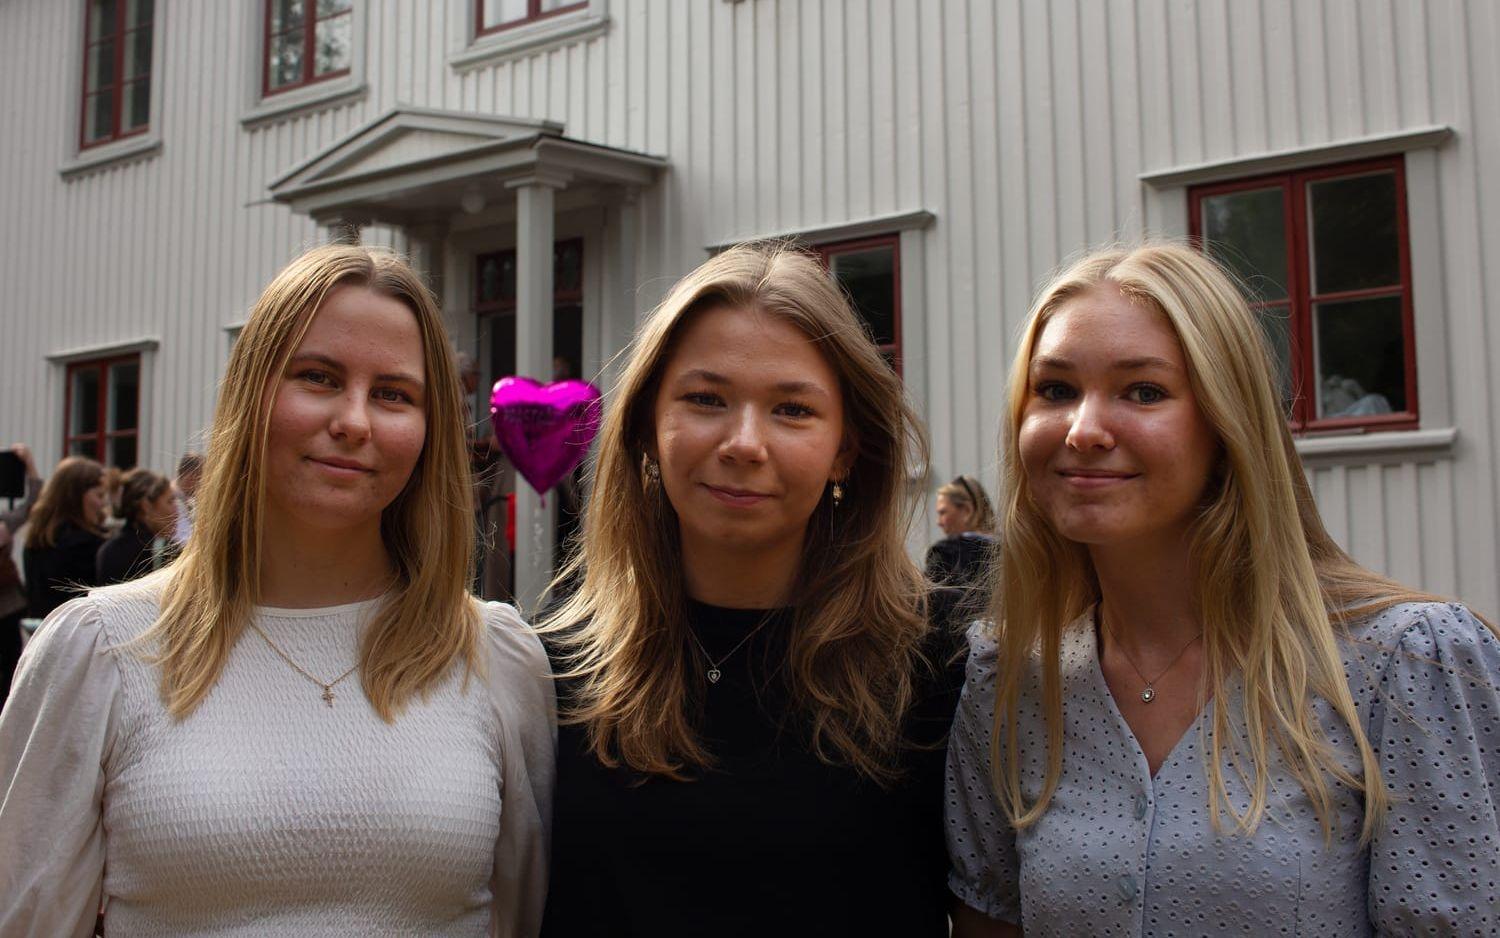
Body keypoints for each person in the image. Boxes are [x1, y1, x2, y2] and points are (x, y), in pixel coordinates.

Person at [945, 243, 1500, 936]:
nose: (1084, 430)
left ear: (1228, 424)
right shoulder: (1014, 681)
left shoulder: (1406, 665)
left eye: (1143, 391)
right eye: (1055, 389)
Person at [0, 244, 555, 936]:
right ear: (250, 394)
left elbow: (524, 912)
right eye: (318, 378)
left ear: (428, 428)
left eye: (393, 393)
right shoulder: (104, 652)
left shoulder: (496, 659)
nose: (355, 421)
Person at [539, 244, 964, 938]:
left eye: (792, 410)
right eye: (706, 399)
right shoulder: (555, 659)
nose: (743, 443)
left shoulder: (939, 664)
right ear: (648, 424)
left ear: (847, 450)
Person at [21, 455, 108, 619]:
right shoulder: (86, 544)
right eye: (99, 495)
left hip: (42, 633)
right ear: (76, 496)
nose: (103, 504)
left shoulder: (38, 536)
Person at [0, 444, 42, 702]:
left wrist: (29, 464)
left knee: (11, 663)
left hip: (8, 603)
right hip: (9, 602)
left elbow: (33, 503)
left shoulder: (4, 521)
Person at [95, 468, 176, 585]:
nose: (176, 510)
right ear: (146, 506)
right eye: (170, 501)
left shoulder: (107, 550)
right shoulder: (163, 552)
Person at [924, 474, 996, 589]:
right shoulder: (1008, 552)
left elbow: (929, 601)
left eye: (943, 513)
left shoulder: (945, 554)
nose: (939, 522)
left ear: (967, 511)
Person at [170, 452, 203, 547]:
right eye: (200, 477)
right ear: (190, 476)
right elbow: (182, 538)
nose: (202, 483)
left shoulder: (187, 500)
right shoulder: (173, 501)